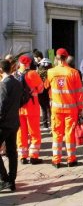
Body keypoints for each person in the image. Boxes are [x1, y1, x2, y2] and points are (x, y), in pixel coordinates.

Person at [47, 48, 83, 168]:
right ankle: (71, 159)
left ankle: (56, 160)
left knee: (57, 133)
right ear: (67, 58)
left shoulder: (51, 72)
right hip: (71, 109)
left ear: (57, 58)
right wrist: (80, 109)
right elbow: (79, 94)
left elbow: (46, 88)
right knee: (69, 133)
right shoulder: (73, 72)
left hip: (56, 109)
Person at [16, 55, 44, 165]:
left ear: (19, 63)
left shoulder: (15, 74)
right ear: (29, 63)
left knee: (21, 132)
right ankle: (34, 156)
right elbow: (41, 89)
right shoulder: (33, 74)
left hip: (19, 108)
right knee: (34, 132)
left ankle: (22, 156)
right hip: (32, 107)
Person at [0, 60, 23, 192]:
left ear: (1, 70)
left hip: (4, 123)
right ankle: (12, 181)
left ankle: (4, 179)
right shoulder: (18, 83)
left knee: (11, 152)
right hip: (14, 122)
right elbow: (22, 100)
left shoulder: (4, 84)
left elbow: (1, 106)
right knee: (12, 152)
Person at [37, 58, 52, 131]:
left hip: (40, 93)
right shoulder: (51, 72)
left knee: (43, 108)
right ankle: (51, 123)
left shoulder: (37, 73)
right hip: (49, 92)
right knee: (49, 108)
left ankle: (45, 125)